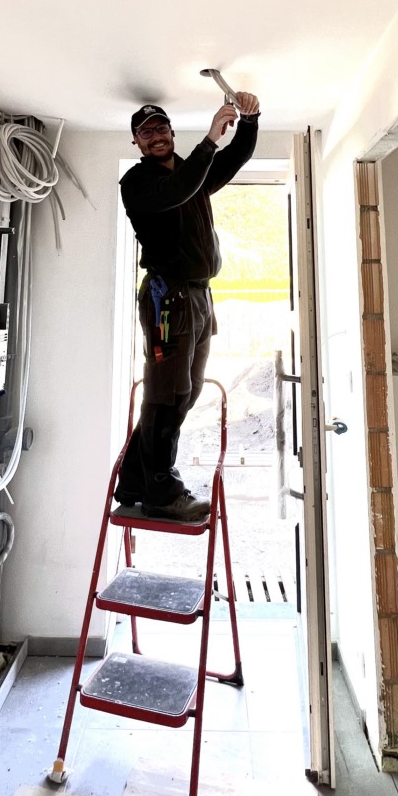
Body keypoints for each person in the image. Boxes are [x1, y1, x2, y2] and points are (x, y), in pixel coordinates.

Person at [117, 92, 261, 521]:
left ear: (171, 132)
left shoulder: (191, 172)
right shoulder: (138, 184)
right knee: (169, 394)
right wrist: (210, 140)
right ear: (137, 142)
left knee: (186, 391)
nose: (155, 136)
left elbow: (233, 159)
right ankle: (162, 493)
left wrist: (249, 120)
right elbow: (176, 190)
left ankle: (136, 481)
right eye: (145, 132)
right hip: (169, 299)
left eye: (161, 128)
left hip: (197, 296)